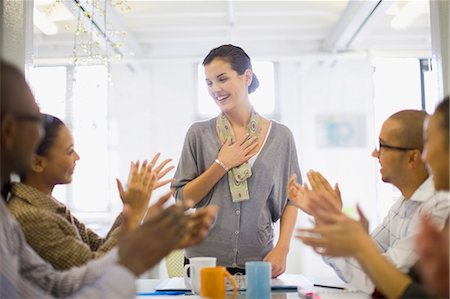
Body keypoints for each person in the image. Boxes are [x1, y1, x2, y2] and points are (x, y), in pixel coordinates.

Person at [0, 59, 217, 298]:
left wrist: (132, 217)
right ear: (10, 130)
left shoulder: (24, 214)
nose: (77, 157)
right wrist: (134, 219)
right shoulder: (29, 216)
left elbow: (67, 277)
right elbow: (89, 272)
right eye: (33, 118)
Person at [295, 98, 450, 298]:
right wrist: (332, 219)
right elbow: (370, 262)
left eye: (383, 146)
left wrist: (340, 227)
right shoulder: (404, 202)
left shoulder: (440, 205)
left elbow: (388, 277)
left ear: (412, 158)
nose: (375, 153)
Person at [171, 44, 301, 277]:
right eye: (209, 83)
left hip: (260, 263)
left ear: (247, 77)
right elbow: (182, 200)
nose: (215, 89)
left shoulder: (281, 137)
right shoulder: (198, 134)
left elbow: (292, 198)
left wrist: (283, 248)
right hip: (204, 263)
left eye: (222, 79)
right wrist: (221, 164)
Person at [7, 113, 174, 270]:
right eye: (69, 151)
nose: (77, 157)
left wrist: (131, 208)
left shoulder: (47, 206)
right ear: (37, 163)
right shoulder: (31, 217)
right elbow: (94, 271)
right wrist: (135, 214)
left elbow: (100, 248)